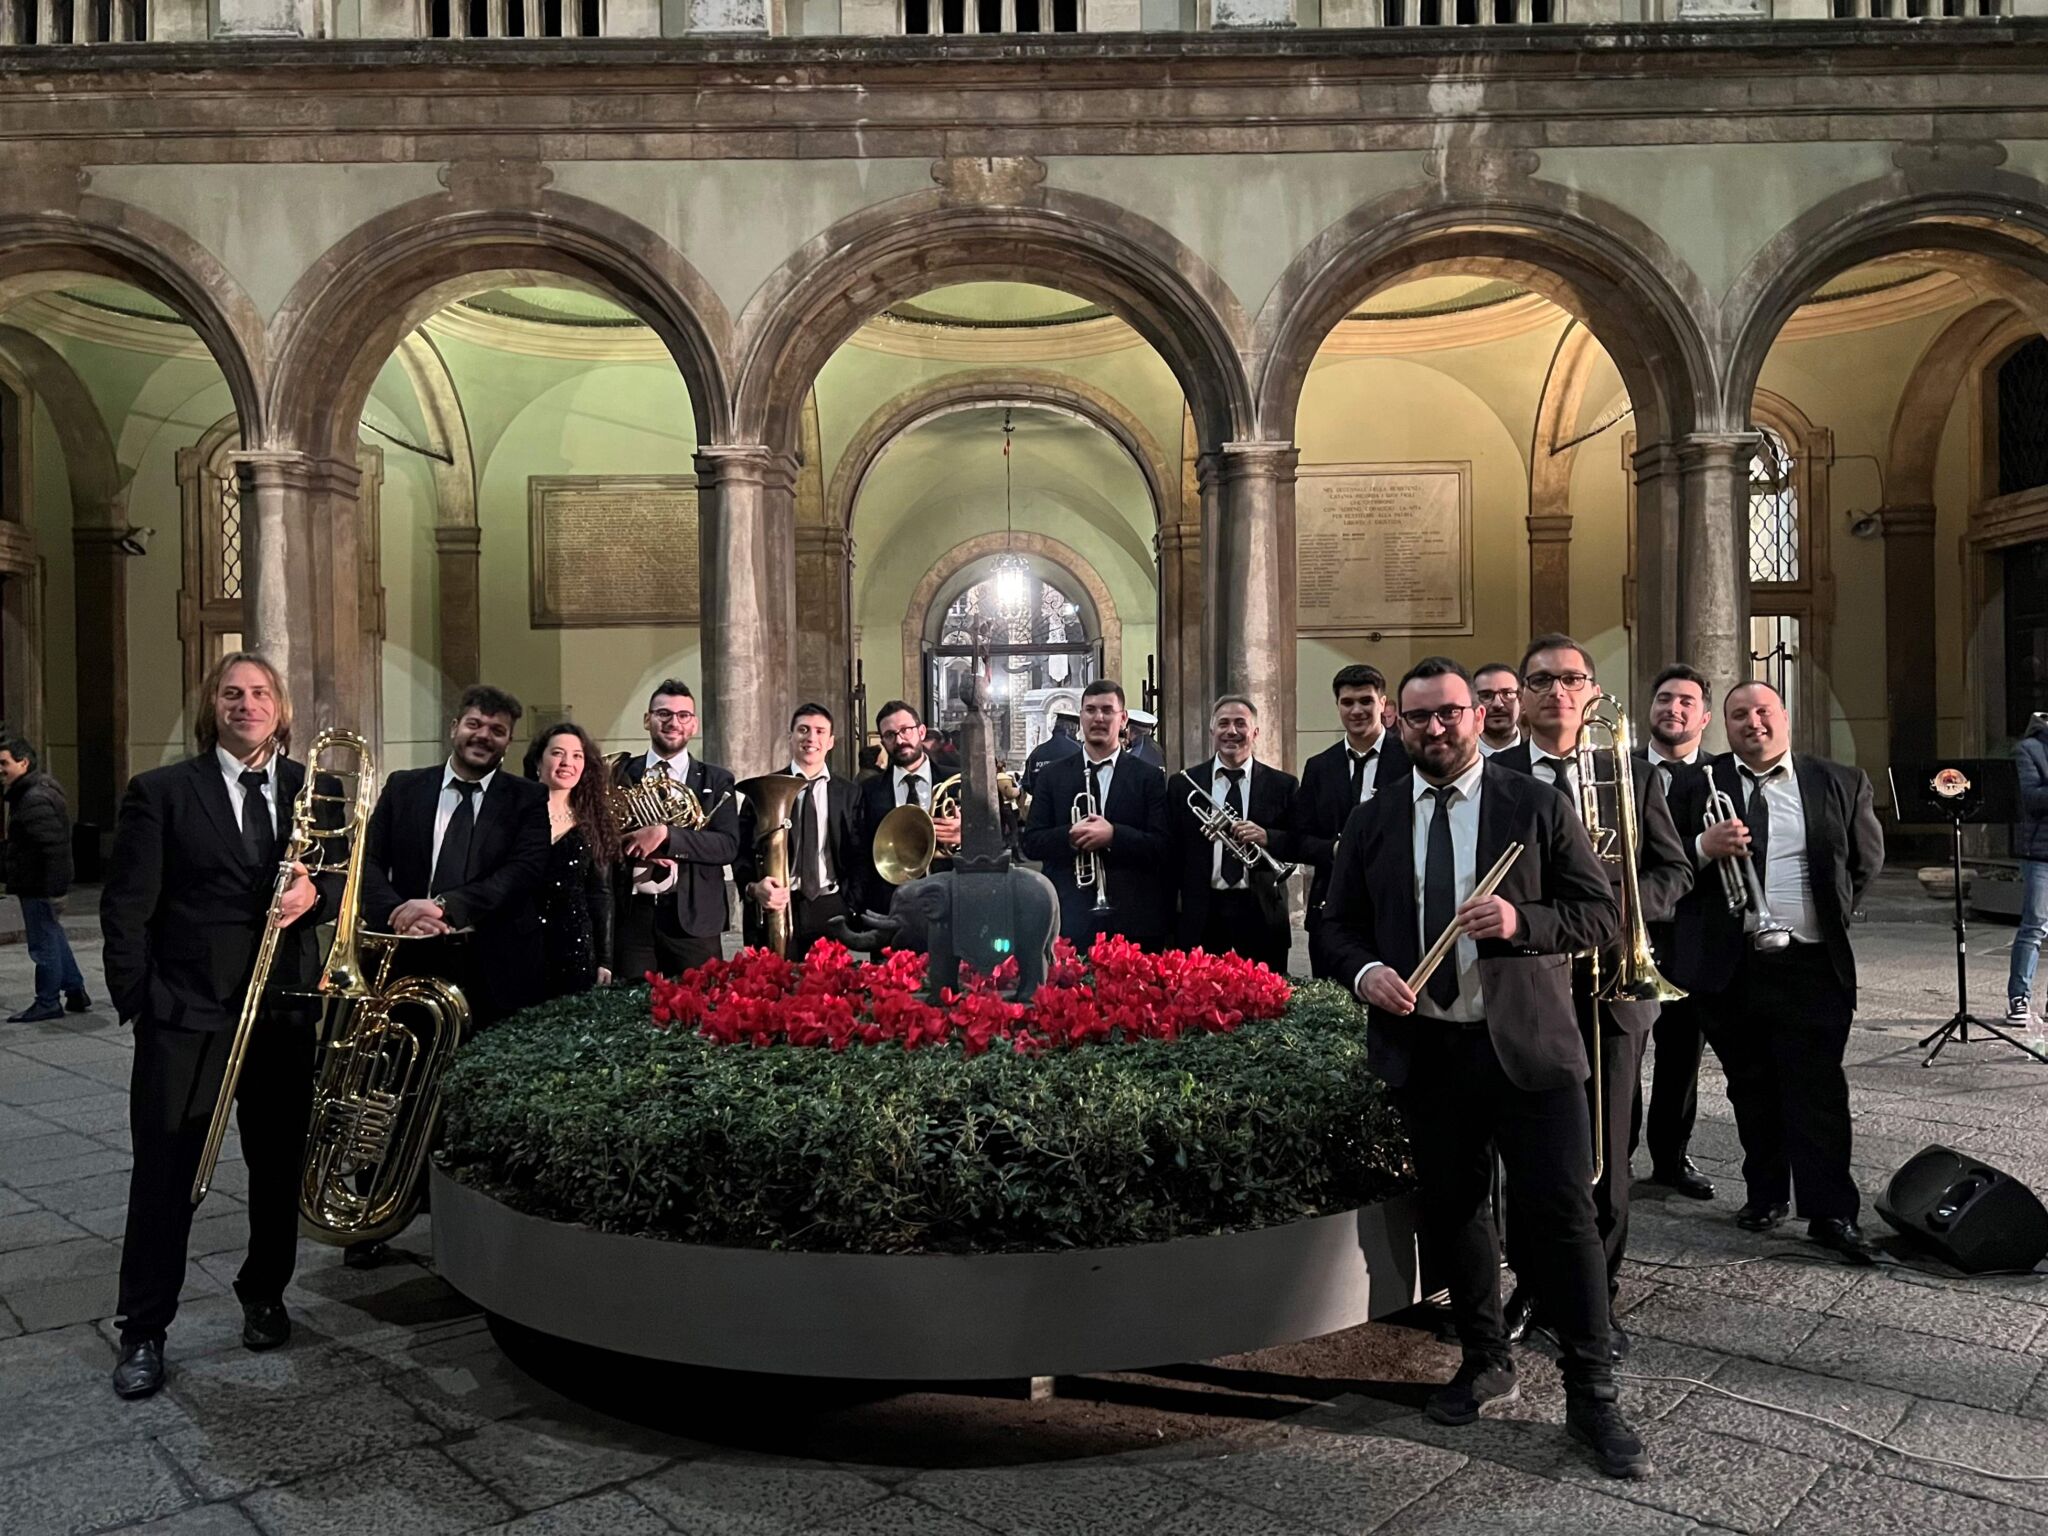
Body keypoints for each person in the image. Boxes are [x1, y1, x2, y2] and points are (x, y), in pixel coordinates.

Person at [1314, 656, 1642, 1478]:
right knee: (1456, 1211)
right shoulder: (1375, 818)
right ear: (1400, 724)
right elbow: (1335, 928)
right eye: (1420, 716)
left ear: (1479, 715)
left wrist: (1519, 920)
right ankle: (1484, 1358)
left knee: (1563, 1217)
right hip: (1430, 1049)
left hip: (1529, 1051)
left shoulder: (1535, 803)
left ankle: (1592, 1393)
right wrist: (1365, 972)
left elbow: (1600, 913)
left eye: (1450, 712)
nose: (1437, 728)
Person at [99, 653, 344, 1399]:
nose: (247, 704)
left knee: (276, 1167)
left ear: (281, 707)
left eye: (261, 693)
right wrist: (142, 1001)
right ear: (213, 706)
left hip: (281, 1010)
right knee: (166, 1174)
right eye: (232, 693)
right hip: (186, 1015)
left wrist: (316, 894)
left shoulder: (315, 788)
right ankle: (144, 1329)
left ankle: (264, 1293)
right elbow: (126, 908)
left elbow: (345, 879)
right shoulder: (162, 792)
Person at [1491, 636, 1692, 1354]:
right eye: (1541, 680)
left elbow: (1674, 870)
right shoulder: (1498, 777)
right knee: (1531, 1146)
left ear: (1594, 693)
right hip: (1532, 983)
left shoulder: (1629, 773)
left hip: (1614, 980)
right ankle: (1532, 1284)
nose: (1557, 691)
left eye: (1571, 679)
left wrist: (1624, 911)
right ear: (1521, 696)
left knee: (1608, 1150)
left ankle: (1594, 1297)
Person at [1693, 681, 1884, 1263]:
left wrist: (1825, 916)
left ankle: (1831, 1213)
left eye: (1763, 711)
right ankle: (1766, 1194)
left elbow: (1865, 860)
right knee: (1750, 1088)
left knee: (1818, 1091)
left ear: (1785, 716)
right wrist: (1703, 845)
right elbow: (1666, 862)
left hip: (1811, 961)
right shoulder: (1698, 783)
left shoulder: (1839, 780)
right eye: (1738, 715)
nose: (1753, 722)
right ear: (1724, 725)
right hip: (1733, 964)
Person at [359, 684, 550, 1030]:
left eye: (497, 730)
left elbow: (524, 872)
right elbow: (366, 861)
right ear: (454, 727)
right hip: (407, 955)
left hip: (495, 965)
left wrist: (444, 906)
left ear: (508, 741)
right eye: (474, 724)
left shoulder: (529, 798)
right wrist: (399, 916)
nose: (483, 736)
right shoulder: (403, 787)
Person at [1631, 664, 1719, 1199]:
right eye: (1665, 698)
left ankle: (1670, 1158)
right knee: (1620, 1053)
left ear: (1704, 718)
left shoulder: (1719, 778)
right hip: (1624, 931)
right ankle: (1614, 1155)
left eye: (1687, 702)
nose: (1673, 708)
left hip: (1691, 935)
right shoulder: (1614, 769)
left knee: (1682, 1056)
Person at [1020, 679, 1171, 951]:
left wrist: (1114, 835)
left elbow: (1162, 846)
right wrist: (1070, 835)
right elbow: (1031, 842)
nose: (1098, 717)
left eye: (1107, 710)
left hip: (1133, 918)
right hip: (1070, 916)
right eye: (1090, 710)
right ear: (1081, 717)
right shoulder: (1053, 776)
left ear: (1123, 719)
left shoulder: (1148, 777)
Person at [609, 680, 740, 980]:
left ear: (694, 725)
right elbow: (599, 838)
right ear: (647, 720)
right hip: (631, 918)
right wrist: (634, 844)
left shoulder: (717, 779)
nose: (673, 722)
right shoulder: (620, 773)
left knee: (699, 1005)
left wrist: (666, 836)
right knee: (628, 1004)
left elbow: (727, 846)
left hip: (694, 921)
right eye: (663, 714)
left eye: (683, 715)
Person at [1172, 695, 1297, 973]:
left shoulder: (1283, 785)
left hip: (1261, 913)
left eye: (1240, 724)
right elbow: (1173, 851)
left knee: (1265, 995)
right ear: (1212, 731)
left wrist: (1268, 837)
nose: (1231, 731)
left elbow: (1299, 843)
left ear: (1255, 732)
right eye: (1223, 724)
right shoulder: (1183, 784)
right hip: (1202, 914)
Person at [1296, 664, 1410, 963]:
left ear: (1382, 704)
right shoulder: (1319, 767)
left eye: (1366, 701)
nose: (1356, 710)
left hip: (1396, 913)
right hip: (1331, 912)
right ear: (1338, 706)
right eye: (1347, 702)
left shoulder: (1410, 761)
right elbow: (1300, 839)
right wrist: (1335, 849)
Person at [737, 704, 860, 961]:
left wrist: (850, 904)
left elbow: (859, 853)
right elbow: (740, 851)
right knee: (774, 983)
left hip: (831, 906)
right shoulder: (763, 788)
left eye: (820, 731)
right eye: (803, 730)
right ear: (790, 737)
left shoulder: (850, 793)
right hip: (776, 905)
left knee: (829, 984)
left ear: (831, 741)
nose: (811, 738)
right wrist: (753, 888)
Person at [525, 723, 617, 999]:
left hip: (575, 945)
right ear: (538, 761)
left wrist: (605, 959)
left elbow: (600, 894)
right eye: (558, 753)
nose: (568, 762)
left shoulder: (594, 820)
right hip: (521, 941)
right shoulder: (515, 814)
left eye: (577, 755)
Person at [0, 738, 89, 1021]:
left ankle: (48, 1001)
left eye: (4, 763)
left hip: (39, 884)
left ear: (23, 763)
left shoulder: (33, 798)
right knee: (53, 935)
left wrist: (51, 889)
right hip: (41, 882)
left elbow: (50, 847)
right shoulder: (37, 790)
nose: (0, 769)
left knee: (43, 944)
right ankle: (75, 989)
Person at [855, 700, 961, 914]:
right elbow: (860, 854)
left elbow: (995, 841)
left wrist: (963, 835)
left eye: (905, 730)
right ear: (883, 742)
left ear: (921, 732)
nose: (899, 740)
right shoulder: (867, 791)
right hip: (891, 906)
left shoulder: (958, 782)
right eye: (890, 735)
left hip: (950, 900)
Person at [2008, 710, 2048, 1036]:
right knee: (2035, 926)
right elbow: (2030, 798)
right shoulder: (2028, 749)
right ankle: (2019, 998)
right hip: (2040, 854)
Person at [1021, 709, 1082, 800]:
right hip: (1070, 804)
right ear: (1073, 728)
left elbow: (1027, 783)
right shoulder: (1078, 750)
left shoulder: (1037, 751)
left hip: (1041, 805)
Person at [1474, 663, 1524, 757]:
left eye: (1507, 694)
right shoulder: (1456, 759)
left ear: (1520, 700)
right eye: (1486, 696)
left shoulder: (1541, 756)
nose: (1497, 704)